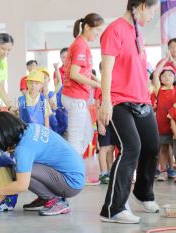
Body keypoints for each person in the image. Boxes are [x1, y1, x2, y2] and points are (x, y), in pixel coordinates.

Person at [99, 0, 160, 224]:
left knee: (152, 145)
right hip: (119, 101)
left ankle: (143, 193)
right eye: (153, 10)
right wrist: (106, 102)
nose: (153, 15)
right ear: (143, 5)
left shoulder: (137, 31)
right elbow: (107, 68)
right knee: (130, 148)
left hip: (141, 100)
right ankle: (113, 209)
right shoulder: (114, 30)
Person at [0, 112, 85, 216]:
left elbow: (22, 185)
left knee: (21, 171)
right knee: (20, 168)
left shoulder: (23, 149)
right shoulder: (31, 128)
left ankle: (55, 200)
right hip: (75, 174)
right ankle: (46, 197)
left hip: (71, 183)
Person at [61, 13, 103, 156]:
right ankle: (73, 172)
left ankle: (74, 167)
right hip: (74, 96)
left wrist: (97, 80)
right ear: (86, 27)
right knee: (76, 139)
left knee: (87, 134)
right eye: (97, 30)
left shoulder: (82, 44)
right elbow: (74, 73)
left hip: (78, 97)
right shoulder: (80, 45)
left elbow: (84, 70)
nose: (98, 33)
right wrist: (96, 84)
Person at [152, 67, 176, 181]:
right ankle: (163, 170)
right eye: (164, 75)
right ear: (160, 78)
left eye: (170, 75)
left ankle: (172, 169)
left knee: (172, 148)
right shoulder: (158, 90)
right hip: (161, 125)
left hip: (174, 125)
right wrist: (165, 60)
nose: (167, 77)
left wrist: (172, 60)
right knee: (163, 148)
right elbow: (155, 74)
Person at [94, 63, 115, 184]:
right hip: (103, 120)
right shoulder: (99, 86)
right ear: (101, 71)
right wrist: (100, 123)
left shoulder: (114, 84)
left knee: (111, 148)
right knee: (104, 148)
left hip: (114, 121)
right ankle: (103, 173)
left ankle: (111, 171)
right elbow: (96, 107)